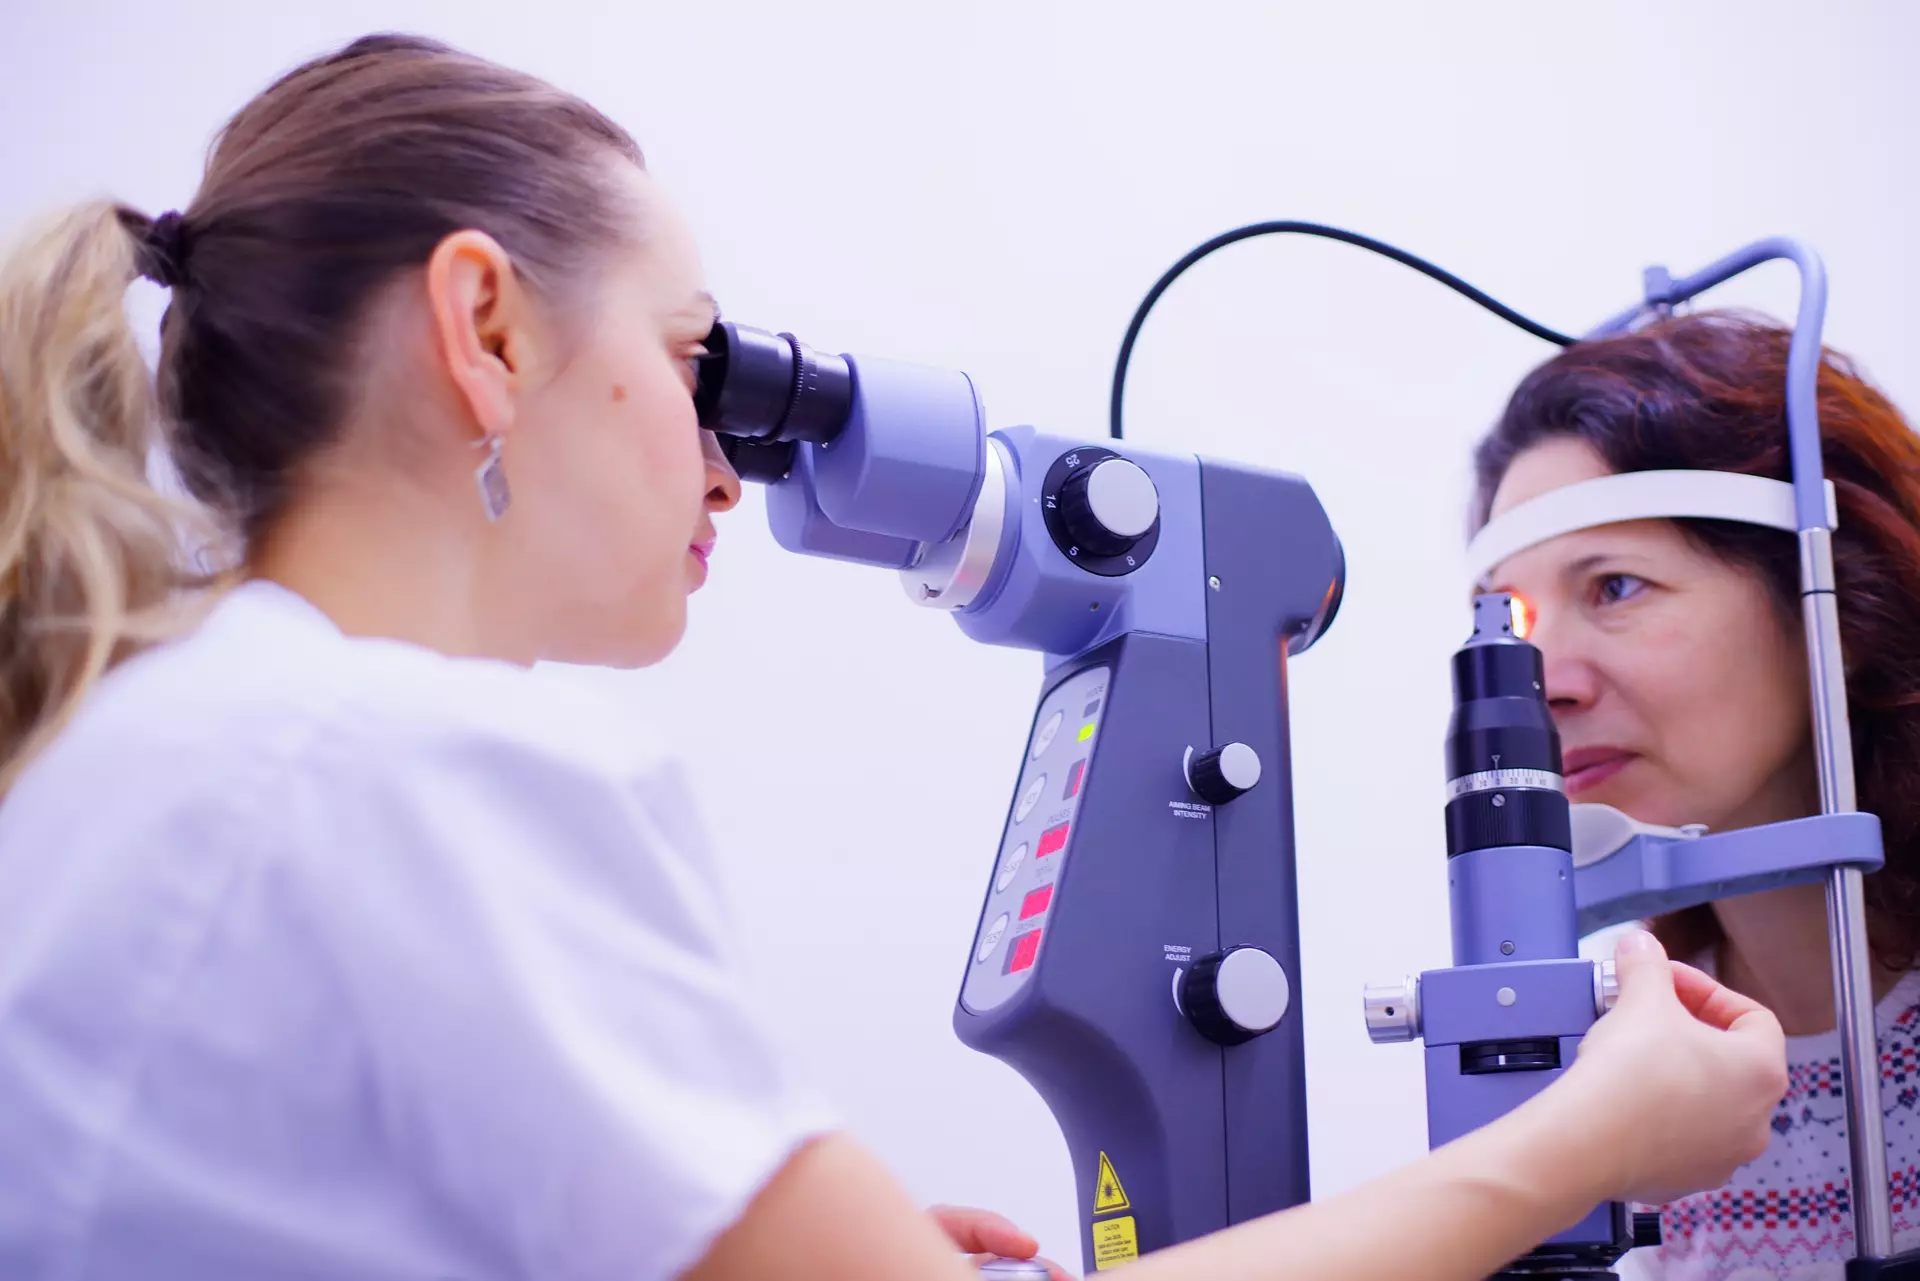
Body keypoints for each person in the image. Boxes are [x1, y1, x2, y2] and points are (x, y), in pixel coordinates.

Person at [0, 32, 1787, 1281]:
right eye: (697, 365)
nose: (727, 466)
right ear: (487, 325)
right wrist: (1579, 1145)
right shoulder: (412, 769)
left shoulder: (151, 739)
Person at [1469, 310, 1920, 1279]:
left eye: (1616, 586)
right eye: (1514, 623)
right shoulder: (1631, 1057)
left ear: (1837, 607)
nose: (1547, 683)